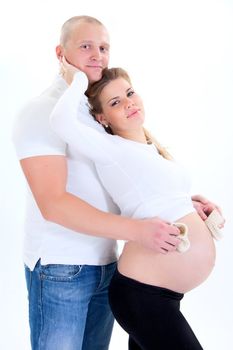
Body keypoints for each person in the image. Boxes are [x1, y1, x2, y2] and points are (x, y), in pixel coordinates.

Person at [12, 15, 219, 350]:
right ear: (61, 52)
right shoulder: (44, 112)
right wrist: (138, 231)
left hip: (106, 264)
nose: (97, 55)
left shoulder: (93, 113)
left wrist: (181, 206)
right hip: (63, 269)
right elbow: (52, 204)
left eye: (104, 47)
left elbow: (125, 183)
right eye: (85, 46)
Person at [49, 63, 224, 350]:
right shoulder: (110, 148)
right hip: (144, 296)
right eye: (116, 102)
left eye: (130, 93)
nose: (129, 103)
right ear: (102, 117)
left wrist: (190, 206)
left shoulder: (147, 149)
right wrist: (78, 79)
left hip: (159, 294)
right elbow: (62, 122)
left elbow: (151, 197)